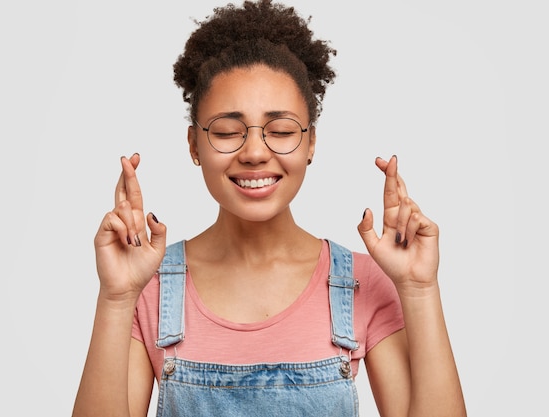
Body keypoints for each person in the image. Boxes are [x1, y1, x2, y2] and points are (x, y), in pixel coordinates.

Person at [72, 0, 467, 416]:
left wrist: (420, 290)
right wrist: (116, 298)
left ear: (311, 142)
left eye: (280, 130)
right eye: (227, 131)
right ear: (193, 144)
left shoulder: (360, 283)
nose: (255, 152)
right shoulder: (147, 288)